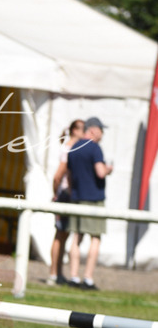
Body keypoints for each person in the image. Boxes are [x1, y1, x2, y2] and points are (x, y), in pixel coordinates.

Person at [66, 116, 113, 290]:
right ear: (93, 130)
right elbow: (100, 172)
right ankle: (88, 278)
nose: (102, 134)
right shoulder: (94, 148)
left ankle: (73, 277)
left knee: (76, 237)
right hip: (94, 199)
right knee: (95, 238)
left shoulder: (73, 147)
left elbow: (69, 177)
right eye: (101, 130)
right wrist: (108, 170)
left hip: (77, 198)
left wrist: (73, 195)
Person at [47, 118, 85, 285]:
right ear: (75, 131)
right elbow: (58, 175)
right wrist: (56, 194)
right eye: (83, 129)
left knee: (64, 234)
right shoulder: (68, 148)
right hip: (64, 195)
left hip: (69, 195)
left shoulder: (73, 148)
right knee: (60, 234)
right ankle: (54, 273)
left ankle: (58, 273)